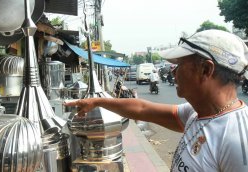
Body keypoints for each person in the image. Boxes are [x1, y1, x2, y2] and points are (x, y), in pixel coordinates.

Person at [65, 30, 248, 171]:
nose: (172, 72)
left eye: (180, 65)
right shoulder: (196, 113)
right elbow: (142, 109)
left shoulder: (238, 140)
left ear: (206, 70)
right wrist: (97, 102)